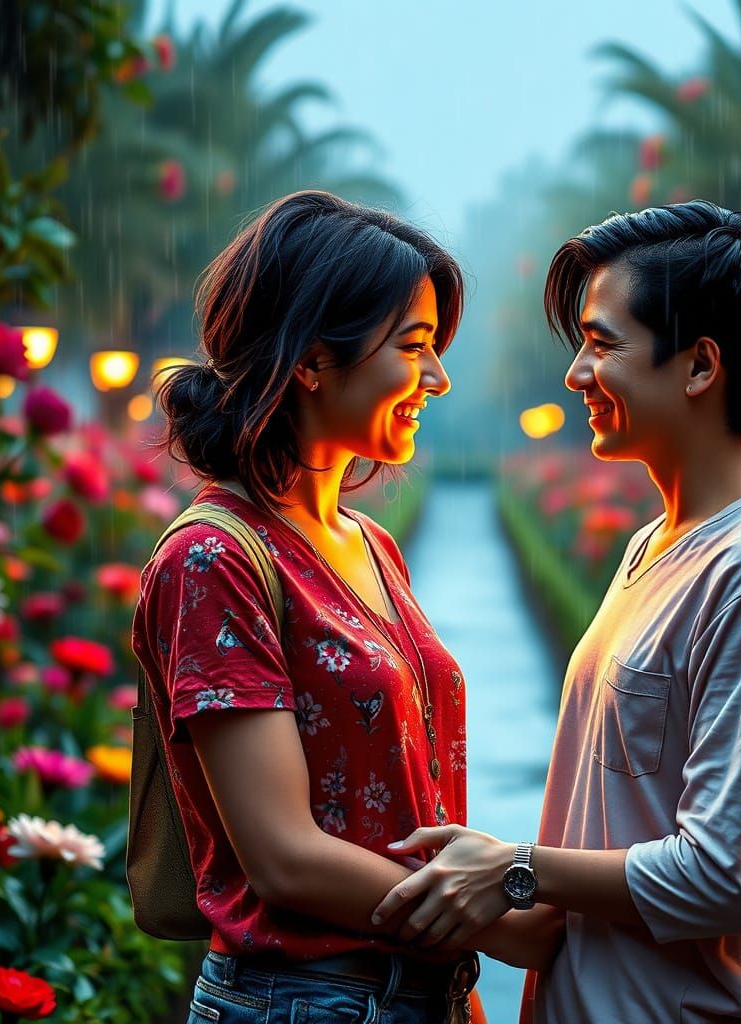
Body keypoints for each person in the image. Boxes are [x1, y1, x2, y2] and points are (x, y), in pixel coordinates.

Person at [371, 200, 741, 1024]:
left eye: (602, 344)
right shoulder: (656, 544)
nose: (576, 374)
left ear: (700, 366)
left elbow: (729, 876)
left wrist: (516, 869)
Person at [131, 190, 560, 1024]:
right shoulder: (214, 558)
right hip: (298, 1001)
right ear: (311, 359)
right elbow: (284, 857)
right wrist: (503, 918)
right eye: (414, 346)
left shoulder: (369, 544)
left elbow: (409, 807)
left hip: (417, 992)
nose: (437, 378)